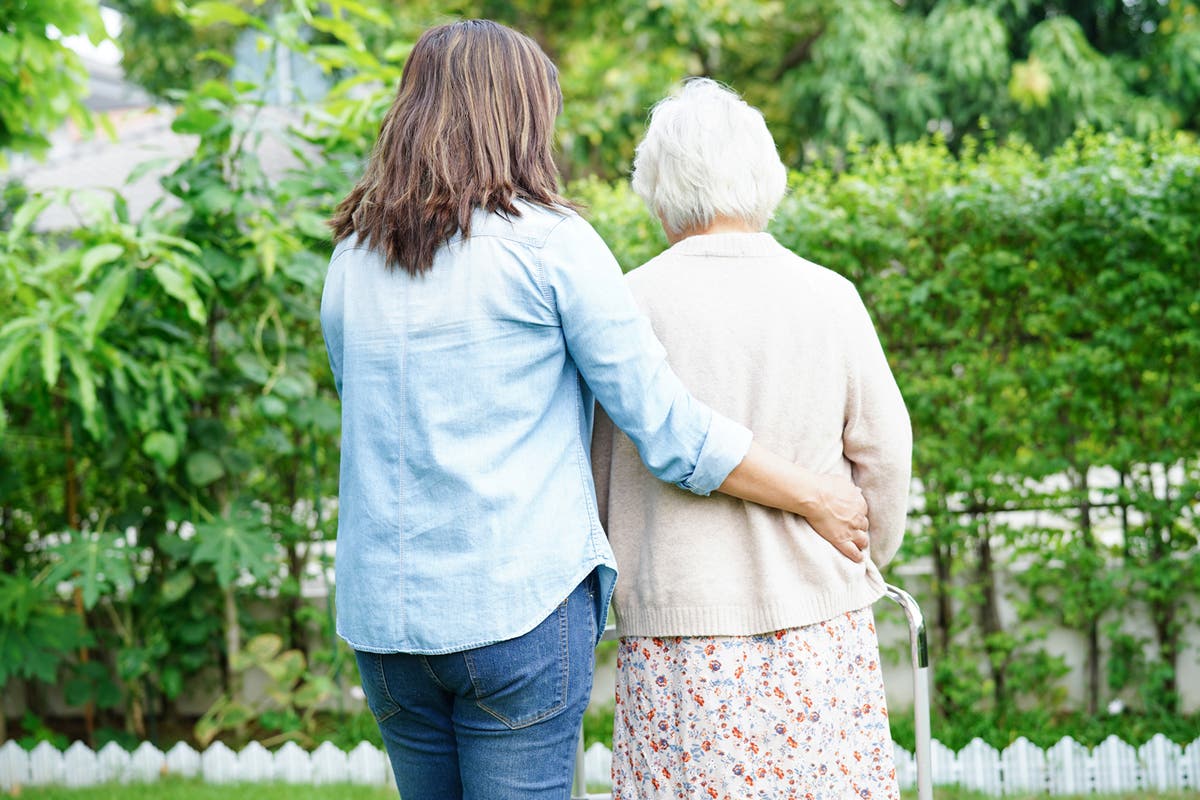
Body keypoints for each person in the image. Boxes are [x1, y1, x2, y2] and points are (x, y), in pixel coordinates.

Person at [320, 21, 872, 800]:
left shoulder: (352, 260)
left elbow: (372, 418)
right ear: (519, 119)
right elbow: (672, 432)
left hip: (384, 628)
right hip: (516, 614)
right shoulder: (550, 245)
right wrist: (818, 495)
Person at [591, 78, 913, 800]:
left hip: (678, 634)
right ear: (766, 175)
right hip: (819, 623)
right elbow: (886, 454)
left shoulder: (626, 303)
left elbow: (595, 463)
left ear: (657, 184)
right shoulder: (829, 295)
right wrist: (863, 556)